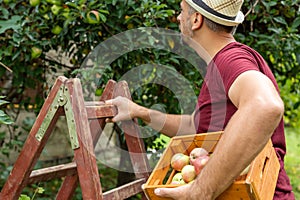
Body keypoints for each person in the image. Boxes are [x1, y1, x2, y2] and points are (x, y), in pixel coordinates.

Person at [105, 0, 295, 199]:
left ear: (196, 19)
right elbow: (194, 127)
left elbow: (265, 106)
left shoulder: (230, 60)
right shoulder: (220, 65)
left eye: (182, 10)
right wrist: (138, 111)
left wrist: (200, 191)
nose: (178, 17)